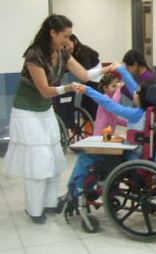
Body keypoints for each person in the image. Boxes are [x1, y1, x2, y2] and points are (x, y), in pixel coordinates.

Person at [3, 14, 115, 224]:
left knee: (54, 158)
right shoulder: (34, 55)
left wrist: (107, 69)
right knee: (38, 162)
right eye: (65, 36)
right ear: (52, 33)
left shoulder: (63, 53)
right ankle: (33, 209)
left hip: (44, 111)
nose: (68, 41)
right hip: (27, 113)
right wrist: (67, 88)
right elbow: (45, 91)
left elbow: (84, 75)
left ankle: (49, 202)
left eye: (70, 36)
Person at [66, 64, 155, 201]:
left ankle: (74, 191)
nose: (133, 94)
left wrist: (88, 90)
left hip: (131, 156)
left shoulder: (136, 113)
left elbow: (109, 103)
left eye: (136, 94)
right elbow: (133, 89)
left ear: (142, 98)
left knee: (85, 156)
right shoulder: (151, 109)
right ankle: (79, 190)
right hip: (139, 152)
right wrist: (122, 71)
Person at [67, 34, 101, 120]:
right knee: (84, 106)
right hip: (88, 80)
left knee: (91, 107)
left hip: (96, 82)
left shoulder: (84, 52)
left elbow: (86, 71)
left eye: (68, 45)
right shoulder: (74, 53)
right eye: (64, 46)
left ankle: (95, 128)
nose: (67, 47)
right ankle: (88, 128)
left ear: (74, 41)